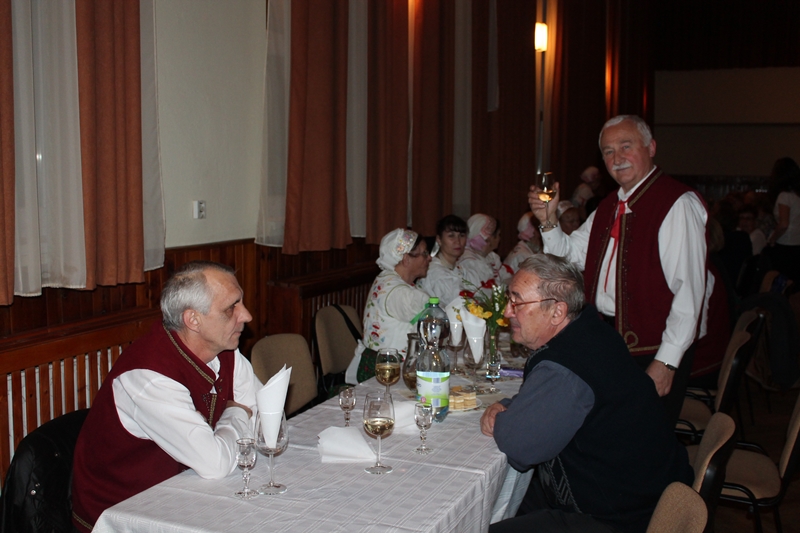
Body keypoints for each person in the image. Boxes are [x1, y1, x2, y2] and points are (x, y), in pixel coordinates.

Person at [483, 254, 693, 533]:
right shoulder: (592, 332)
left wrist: (503, 415)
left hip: (618, 517)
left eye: (517, 302)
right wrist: (513, 406)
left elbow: (520, 446)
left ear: (557, 312)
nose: (508, 311)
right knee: (493, 507)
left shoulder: (565, 366)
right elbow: (552, 401)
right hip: (643, 491)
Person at [528, 115, 713, 428]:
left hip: (654, 346)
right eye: (608, 151)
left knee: (647, 437)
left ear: (651, 148)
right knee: (616, 434)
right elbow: (570, 256)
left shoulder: (675, 203)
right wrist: (547, 220)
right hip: (610, 340)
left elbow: (689, 291)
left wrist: (667, 362)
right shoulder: (610, 205)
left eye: (626, 147)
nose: (617, 158)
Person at [72, 261, 262, 531]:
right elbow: (215, 463)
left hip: (189, 496)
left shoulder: (225, 350)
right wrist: (237, 412)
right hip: (128, 513)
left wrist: (237, 423)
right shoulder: (149, 376)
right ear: (193, 320)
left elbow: (264, 420)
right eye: (231, 307)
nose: (246, 315)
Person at [346, 228, 431, 384]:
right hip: (390, 373)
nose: (429, 258)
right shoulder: (402, 294)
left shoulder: (384, 278)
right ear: (406, 259)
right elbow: (435, 326)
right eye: (424, 253)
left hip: (374, 365)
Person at [418, 215, 468, 306]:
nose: (458, 241)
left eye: (461, 235)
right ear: (439, 240)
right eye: (451, 236)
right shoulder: (434, 272)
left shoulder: (460, 267)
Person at [459, 214, 512, 296]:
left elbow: (506, 277)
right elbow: (481, 295)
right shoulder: (469, 261)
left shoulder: (491, 256)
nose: (499, 238)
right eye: (498, 235)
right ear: (488, 238)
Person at [767, 156, 800, 283]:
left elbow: (784, 224)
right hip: (797, 244)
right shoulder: (797, 196)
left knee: (780, 283)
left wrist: (772, 239)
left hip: (785, 245)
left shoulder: (784, 196)